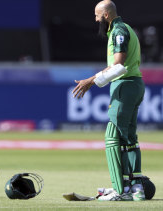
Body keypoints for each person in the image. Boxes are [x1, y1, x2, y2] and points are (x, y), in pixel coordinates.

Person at [72, 0, 145, 201]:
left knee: (112, 137)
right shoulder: (125, 27)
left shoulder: (119, 30)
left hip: (125, 85)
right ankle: (135, 188)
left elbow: (119, 65)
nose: (95, 19)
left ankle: (119, 190)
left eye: (97, 15)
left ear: (105, 15)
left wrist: (91, 81)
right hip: (134, 84)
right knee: (129, 139)